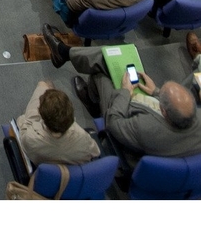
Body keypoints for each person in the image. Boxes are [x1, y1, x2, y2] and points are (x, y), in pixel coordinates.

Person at [53, 48, 201, 171]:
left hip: (128, 136)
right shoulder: (195, 117)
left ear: (164, 111)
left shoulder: (145, 128)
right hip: (161, 145)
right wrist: (156, 91)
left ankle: (92, 100)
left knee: (101, 74)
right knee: (131, 72)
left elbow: (113, 122)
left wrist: (125, 92)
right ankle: (66, 53)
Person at [13, 81, 101, 168]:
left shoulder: (30, 139)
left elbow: (22, 123)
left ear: (42, 116)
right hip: (72, 177)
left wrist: (23, 119)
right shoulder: (83, 138)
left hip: (44, 172)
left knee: (43, 84)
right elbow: (96, 153)